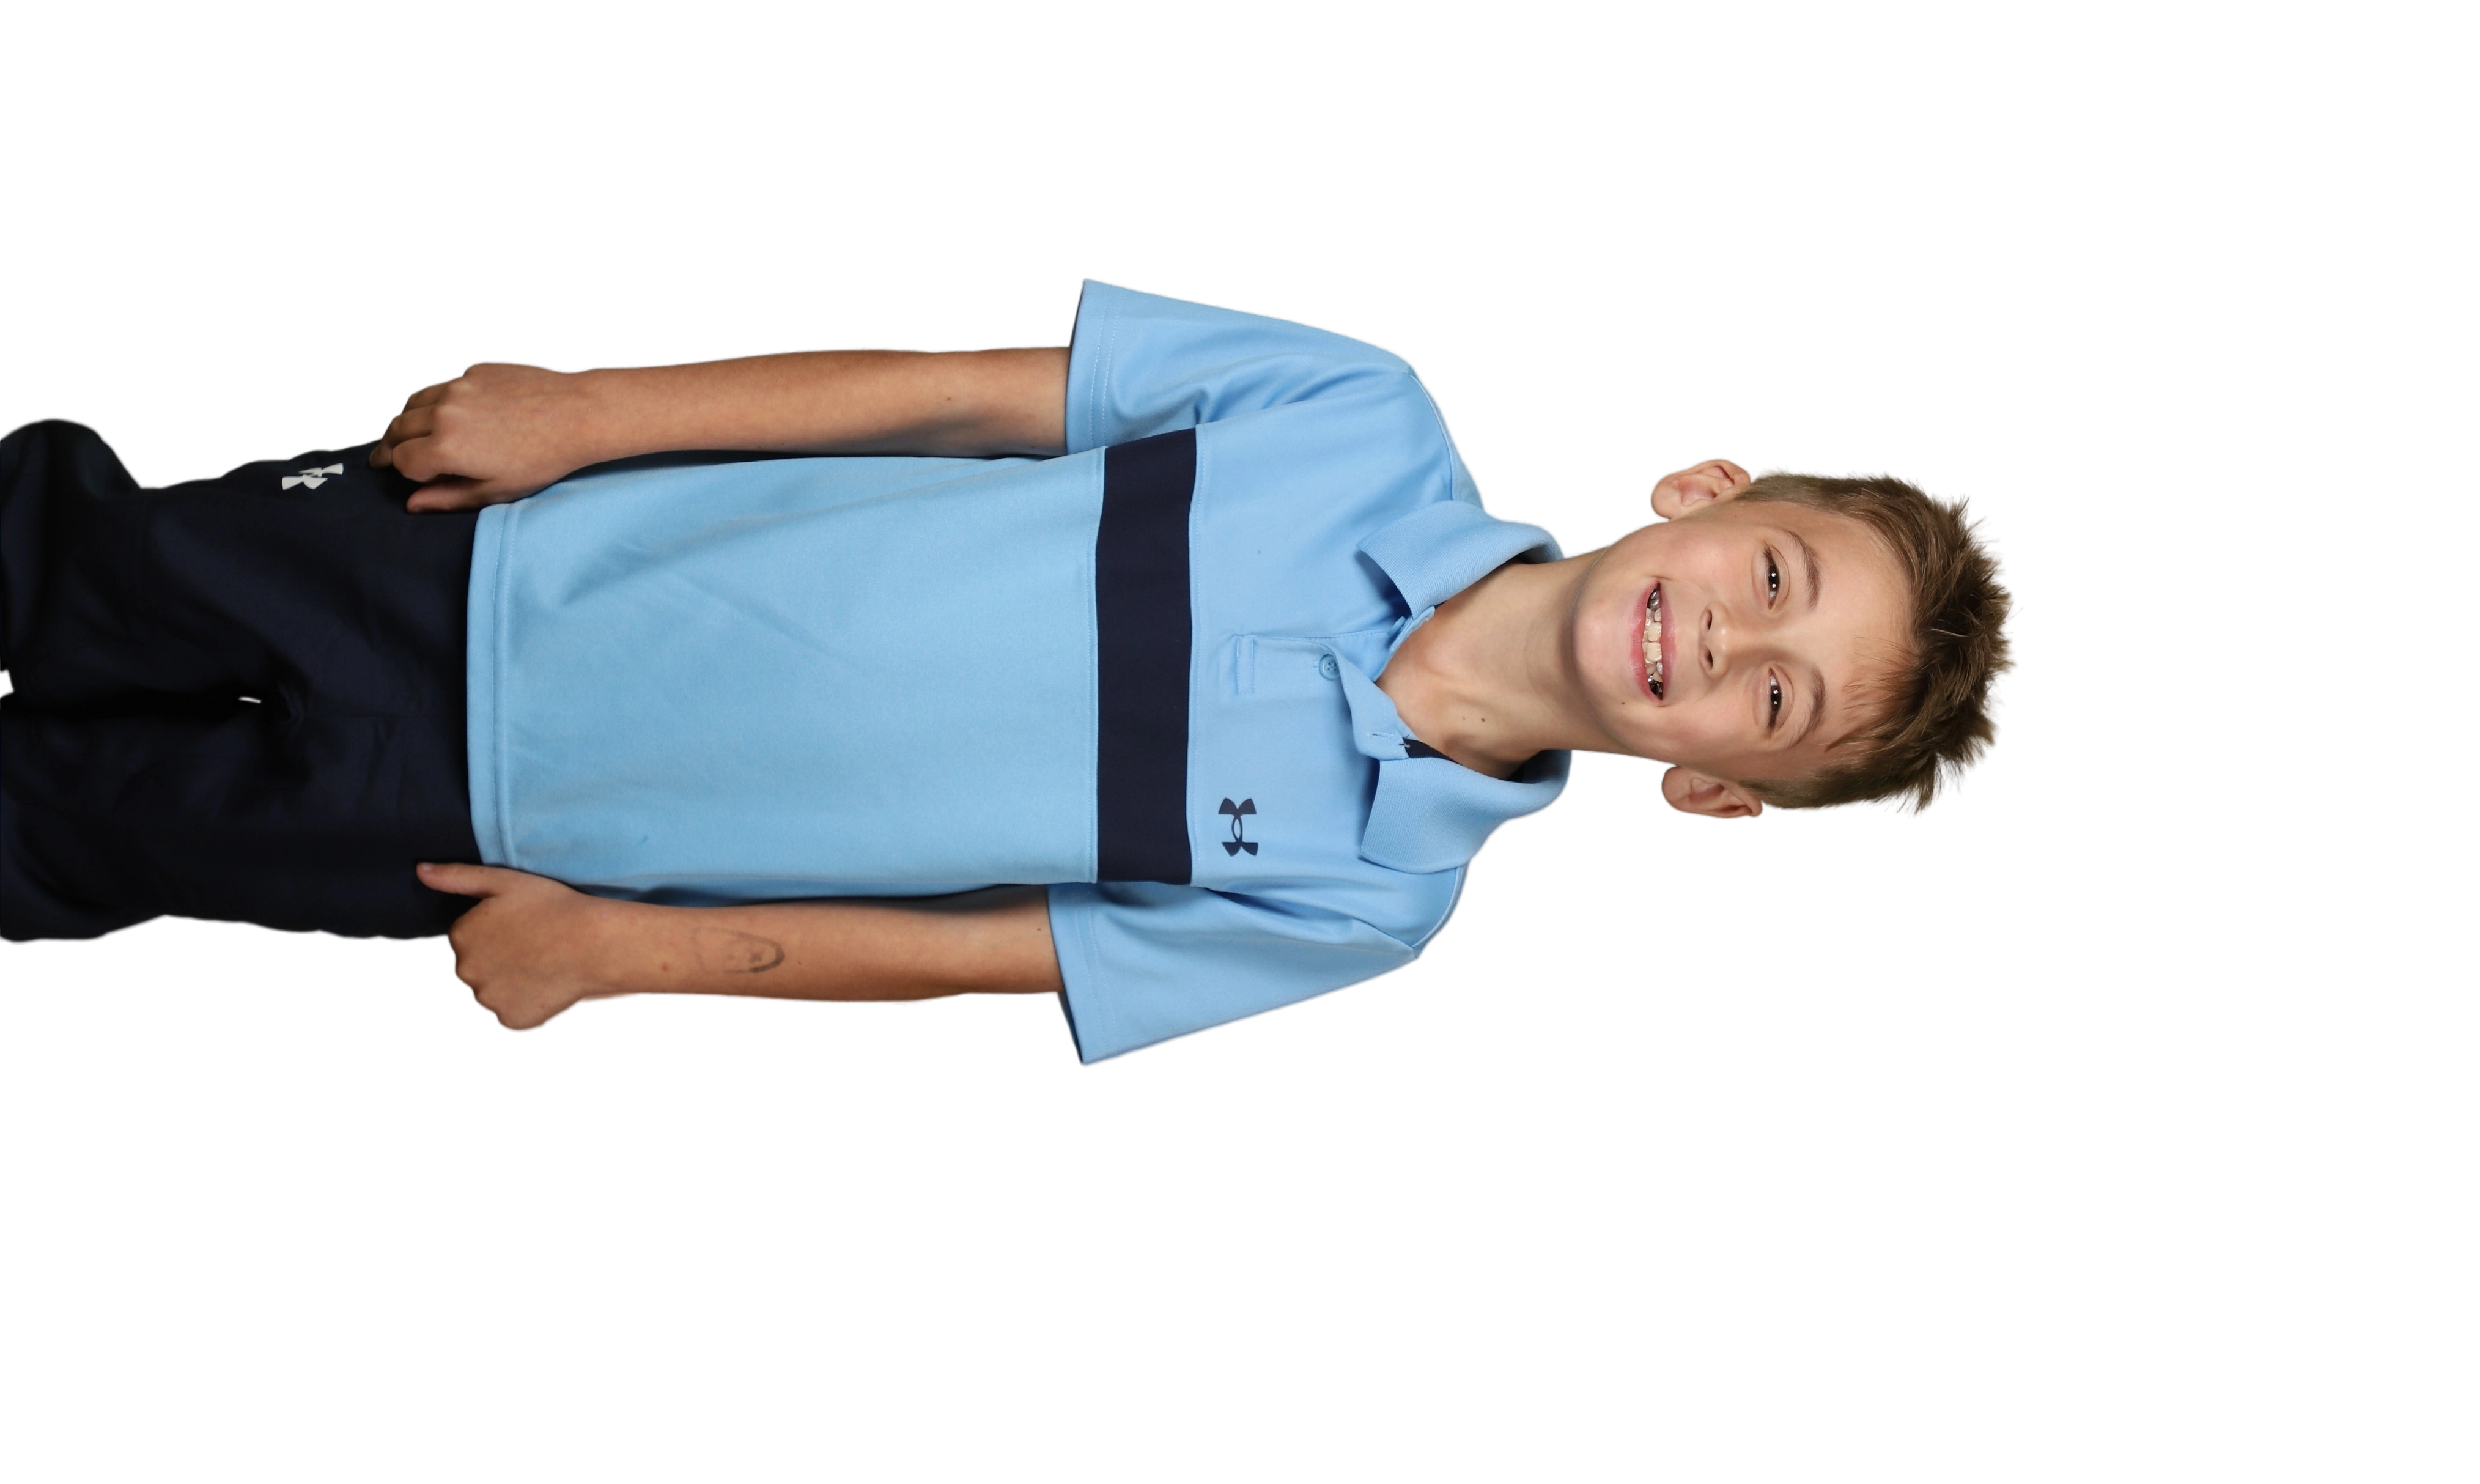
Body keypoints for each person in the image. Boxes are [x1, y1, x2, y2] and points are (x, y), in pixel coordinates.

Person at [1, 278, 2023, 1066]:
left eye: (1776, 696)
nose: (1729, 637)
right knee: (65, 579)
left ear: (1719, 789)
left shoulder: (1370, 901)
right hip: (485, 565)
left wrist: (625, 949)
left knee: (74, 841)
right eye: (1776, 575)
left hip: (488, 827)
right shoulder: (1353, 413)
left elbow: (983, 959)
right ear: (1709, 488)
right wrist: (595, 408)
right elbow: (966, 393)